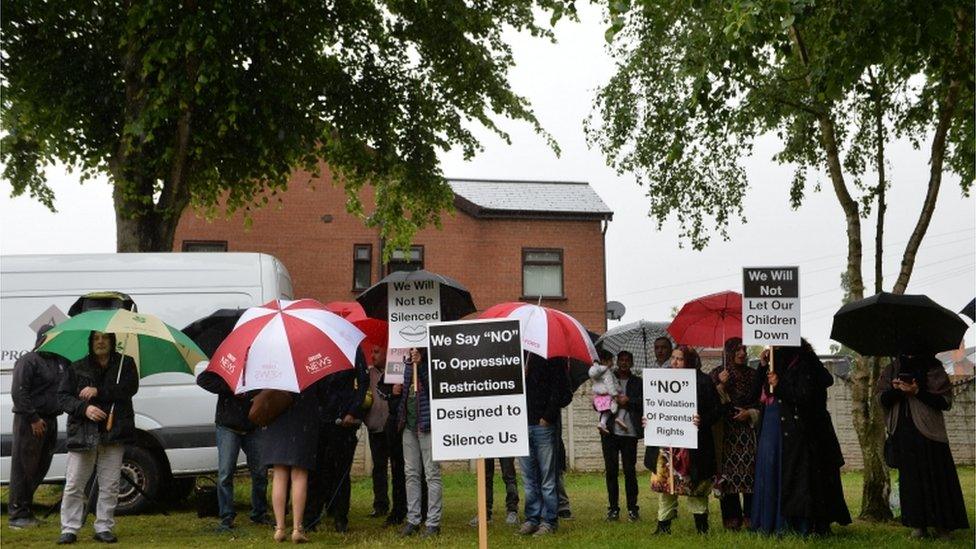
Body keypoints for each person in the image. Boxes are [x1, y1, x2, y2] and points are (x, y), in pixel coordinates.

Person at [751, 340, 851, 536]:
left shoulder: (805, 364)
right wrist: (763, 367)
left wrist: (779, 385)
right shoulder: (775, 364)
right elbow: (756, 393)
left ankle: (810, 525)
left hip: (810, 433)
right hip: (784, 430)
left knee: (810, 480)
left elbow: (804, 395)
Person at [57, 331, 138, 545]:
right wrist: (85, 409)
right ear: (90, 342)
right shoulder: (76, 366)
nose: (100, 342)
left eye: (105, 338)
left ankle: (103, 526)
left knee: (110, 484)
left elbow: (129, 389)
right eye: (96, 338)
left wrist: (98, 391)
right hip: (83, 432)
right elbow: (63, 398)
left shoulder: (126, 364)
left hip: (114, 431)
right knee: (75, 483)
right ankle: (69, 528)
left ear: (112, 341)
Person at [878, 353, 969, 539]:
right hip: (903, 433)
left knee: (937, 478)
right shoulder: (892, 369)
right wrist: (898, 390)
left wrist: (917, 391)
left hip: (930, 434)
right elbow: (881, 399)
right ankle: (918, 524)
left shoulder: (934, 369)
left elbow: (944, 402)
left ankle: (943, 525)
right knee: (911, 481)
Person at [649, 345, 720, 535]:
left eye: (679, 359)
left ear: (690, 361)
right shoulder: (661, 381)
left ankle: (702, 529)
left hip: (695, 447)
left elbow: (716, 411)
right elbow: (653, 407)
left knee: (695, 486)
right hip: (668, 445)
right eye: (672, 358)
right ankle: (663, 527)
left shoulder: (703, 381)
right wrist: (649, 419)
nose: (674, 362)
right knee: (667, 486)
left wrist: (701, 419)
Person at [196, 369, 271, 532]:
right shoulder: (228, 363)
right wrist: (230, 387)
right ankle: (227, 516)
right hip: (228, 425)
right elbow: (202, 379)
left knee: (260, 472)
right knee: (225, 473)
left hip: (253, 423)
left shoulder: (259, 363)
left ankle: (259, 513)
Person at [303, 348, 368, 533]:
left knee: (340, 473)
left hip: (342, 421)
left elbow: (363, 383)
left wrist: (353, 411)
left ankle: (340, 518)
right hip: (318, 420)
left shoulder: (352, 348)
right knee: (316, 472)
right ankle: (311, 518)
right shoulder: (313, 347)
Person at [9, 324, 67, 530]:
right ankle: (17, 515)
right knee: (24, 467)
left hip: (50, 420)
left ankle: (27, 510)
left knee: (40, 467)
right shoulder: (29, 361)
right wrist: (33, 418)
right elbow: (19, 392)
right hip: (30, 422)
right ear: (42, 338)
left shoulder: (59, 362)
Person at [518, 353, 572, 537]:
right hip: (521, 423)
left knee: (548, 478)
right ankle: (532, 518)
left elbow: (562, 391)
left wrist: (547, 417)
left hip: (543, 424)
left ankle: (549, 520)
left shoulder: (554, 357)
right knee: (528, 478)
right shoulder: (518, 354)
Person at [709, 337, 759, 530]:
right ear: (728, 353)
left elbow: (761, 402)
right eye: (737, 350)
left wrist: (750, 413)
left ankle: (751, 518)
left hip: (748, 433)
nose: (742, 353)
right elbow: (709, 402)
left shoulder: (754, 375)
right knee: (727, 477)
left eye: (744, 350)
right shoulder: (716, 374)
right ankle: (731, 519)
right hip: (725, 433)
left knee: (750, 476)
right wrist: (720, 385)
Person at [262, 386, 320, 543]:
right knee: (299, 475)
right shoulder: (307, 368)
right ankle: (297, 528)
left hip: (277, 419)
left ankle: (280, 528)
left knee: (279, 476)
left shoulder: (273, 367)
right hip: (303, 420)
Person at [396, 347, 442, 538]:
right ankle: (413, 520)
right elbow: (407, 392)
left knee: (432, 473)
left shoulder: (435, 357)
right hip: (409, 425)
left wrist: (421, 364)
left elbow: (435, 388)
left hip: (427, 423)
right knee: (411, 474)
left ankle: (433, 523)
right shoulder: (407, 360)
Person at [600, 350, 643, 522]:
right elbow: (598, 404)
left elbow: (643, 403)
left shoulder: (638, 382)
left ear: (632, 363)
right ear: (617, 362)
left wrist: (628, 401)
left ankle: (633, 508)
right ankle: (613, 509)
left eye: (628, 360)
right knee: (611, 471)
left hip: (629, 433)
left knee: (630, 471)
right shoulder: (608, 379)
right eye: (621, 360)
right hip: (609, 432)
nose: (624, 363)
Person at [365, 345, 392, 520]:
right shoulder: (369, 374)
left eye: (377, 352)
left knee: (399, 467)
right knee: (379, 467)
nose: (373, 355)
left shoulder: (395, 371)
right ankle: (380, 504)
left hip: (393, 426)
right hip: (375, 426)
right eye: (372, 351)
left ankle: (401, 505)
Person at [644, 337, 674, 472]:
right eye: (657, 348)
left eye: (663, 347)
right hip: (656, 421)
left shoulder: (676, 368)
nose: (660, 350)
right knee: (657, 460)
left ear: (670, 350)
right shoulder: (650, 370)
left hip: (673, 420)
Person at [469, 457, 520, 526]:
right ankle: (484, 513)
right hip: (485, 447)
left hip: (505, 447)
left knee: (509, 475)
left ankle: (512, 511)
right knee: (484, 476)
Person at [589, 348, 623, 434]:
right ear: (604, 361)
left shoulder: (596, 373)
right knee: (614, 405)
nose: (612, 363)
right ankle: (618, 418)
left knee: (605, 412)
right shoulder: (607, 371)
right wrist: (615, 393)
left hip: (598, 397)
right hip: (607, 395)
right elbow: (610, 384)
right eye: (611, 360)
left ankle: (603, 423)